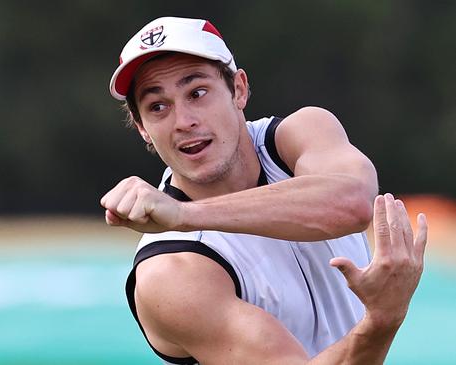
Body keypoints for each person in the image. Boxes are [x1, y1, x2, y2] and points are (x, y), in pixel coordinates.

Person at [100, 16, 428, 365]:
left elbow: (353, 203)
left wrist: (185, 215)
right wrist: (381, 320)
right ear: (142, 129)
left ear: (238, 90)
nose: (183, 121)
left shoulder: (299, 134)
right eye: (158, 107)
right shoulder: (170, 274)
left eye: (197, 93)